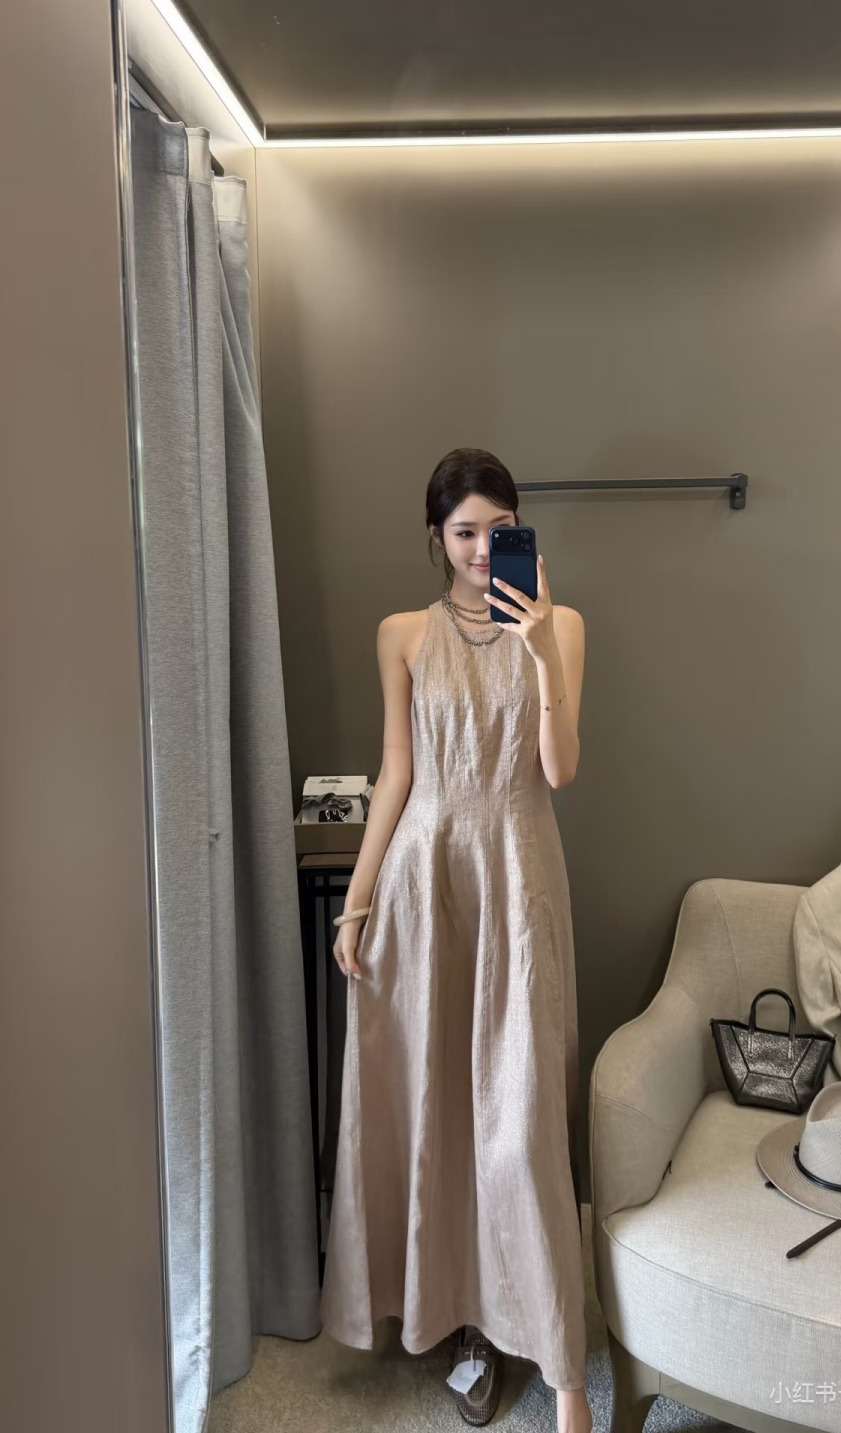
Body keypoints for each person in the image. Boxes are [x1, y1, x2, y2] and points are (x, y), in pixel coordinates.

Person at [318, 447, 592, 1433]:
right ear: (435, 537)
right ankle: (464, 1325)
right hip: (425, 880)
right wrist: (357, 904)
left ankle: (562, 1368)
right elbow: (396, 773)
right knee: (434, 1109)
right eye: (465, 531)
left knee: (520, 1122)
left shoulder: (561, 625)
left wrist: (540, 648)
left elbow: (559, 770)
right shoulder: (401, 634)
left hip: (519, 875)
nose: (482, 549)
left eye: (499, 529)